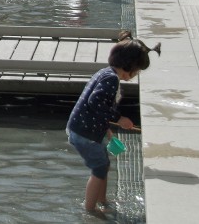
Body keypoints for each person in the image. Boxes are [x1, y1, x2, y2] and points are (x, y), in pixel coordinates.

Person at [67, 31, 158, 216]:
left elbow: (98, 107)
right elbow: (95, 102)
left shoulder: (106, 73)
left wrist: (106, 127)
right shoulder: (111, 79)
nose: (136, 74)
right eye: (137, 71)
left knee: (104, 165)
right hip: (84, 133)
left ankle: (103, 200)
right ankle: (90, 209)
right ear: (129, 67)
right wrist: (118, 119)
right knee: (99, 168)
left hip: (87, 128)